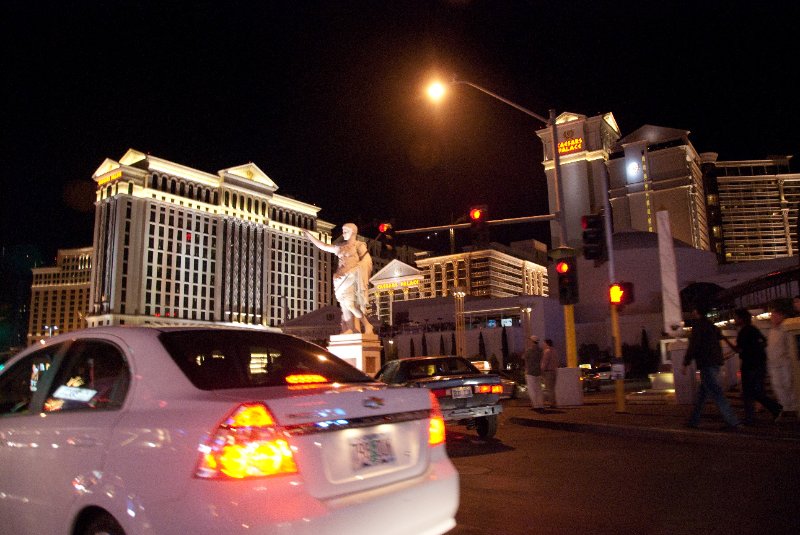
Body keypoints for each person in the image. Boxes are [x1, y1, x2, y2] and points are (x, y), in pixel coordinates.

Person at [303, 223, 373, 335]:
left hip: (350, 278)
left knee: (350, 304)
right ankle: (351, 329)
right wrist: (309, 235)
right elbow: (323, 246)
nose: (343, 233)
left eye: (346, 231)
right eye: (343, 231)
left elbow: (367, 261)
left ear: (353, 232)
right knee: (344, 306)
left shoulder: (359, 245)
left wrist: (355, 269)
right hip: (339, 280)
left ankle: (367, 325)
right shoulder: (340, 246)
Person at [682, 304, 740, 429]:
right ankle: (693, 420)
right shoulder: (711, 326)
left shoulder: (698, 326)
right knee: (702, 394)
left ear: (696, 311)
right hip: (715, 362)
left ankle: (733, 421)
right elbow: (719, 340)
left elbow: (694, 346)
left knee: (716, 392)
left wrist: (686, 363)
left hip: (706, 363)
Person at [726, 308, 782, 424]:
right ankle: (771, 410)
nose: (734, 320)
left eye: (735, 317)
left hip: (749, 365)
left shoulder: (743, 331)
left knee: (748, 393)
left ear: (741, 319)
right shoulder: (753, 329)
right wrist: (756, 350)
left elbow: (738, 349)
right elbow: (764, 341)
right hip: (759, 364)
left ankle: (755, 416)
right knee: (755, 392)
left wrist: (725, 340)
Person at [766, 299, 796, 417]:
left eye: (775, 315)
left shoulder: (785, 328)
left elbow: (790, 347)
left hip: (785, 363)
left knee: (788, 384)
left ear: (782, 316)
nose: (772, 317)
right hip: (774, 364)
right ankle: (786, 408)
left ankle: (793, 408)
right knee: (778, 386)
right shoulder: (772, 330)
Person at [523, 335, 545, 412]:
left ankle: (535, 405)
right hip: (538, 372)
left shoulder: (529, 350)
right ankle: (541, 404)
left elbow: (524, 358)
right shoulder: (540, 350)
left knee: (532, 390)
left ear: (532, 342)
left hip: (530, 372)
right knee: (539, 389)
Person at [541, 339, 559, 408]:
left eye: (544, 343)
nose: (543, 345)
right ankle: (553, 402)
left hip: (548, 372)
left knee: (549, 389)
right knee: (552, 388)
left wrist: (541, 370)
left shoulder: (547, 352)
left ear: (547, 344)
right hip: (554, 371)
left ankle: (551, 403)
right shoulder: (554, 351)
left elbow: (544, 363)